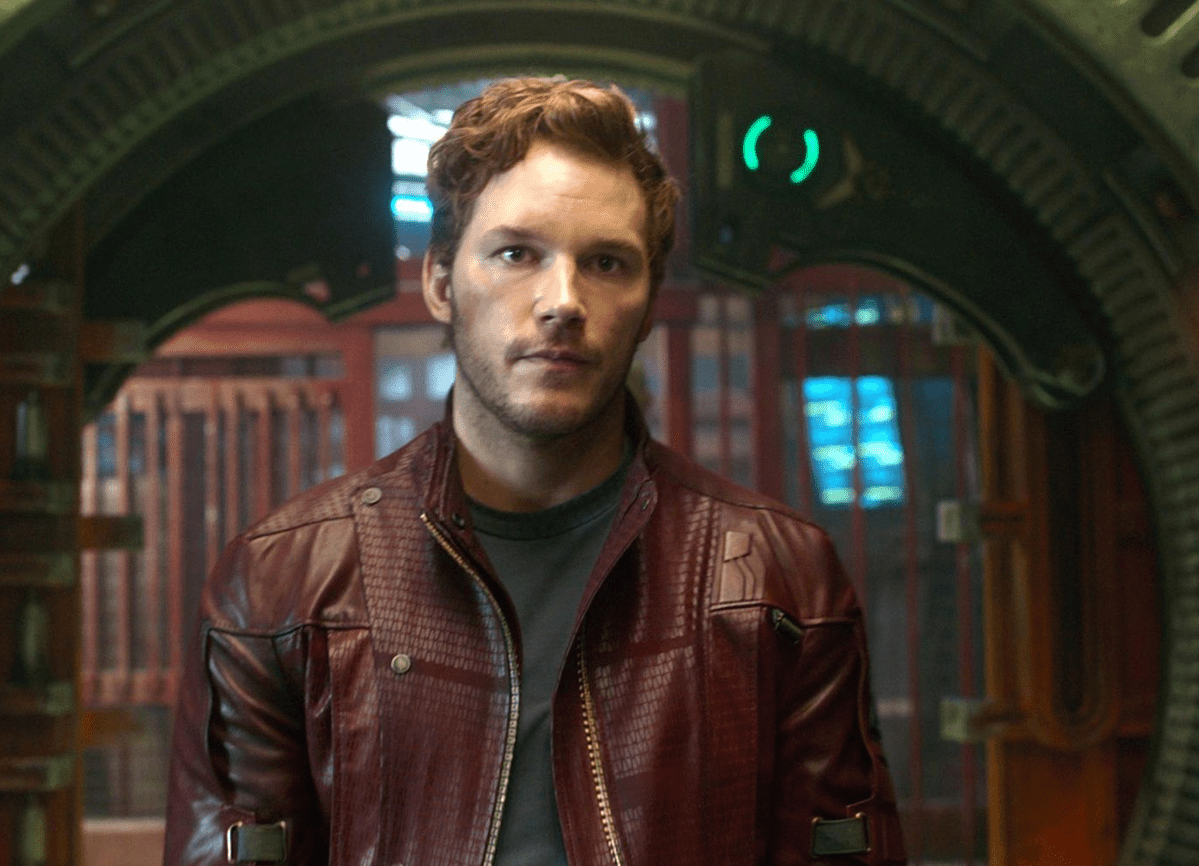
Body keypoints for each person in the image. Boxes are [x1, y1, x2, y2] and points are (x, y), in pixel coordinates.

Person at [164, 76, 905, 866]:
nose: (563, 301)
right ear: (441, 283)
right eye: (517, 253)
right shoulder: (281, 585)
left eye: (607, 263)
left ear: (648, 304)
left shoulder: (781, 580)